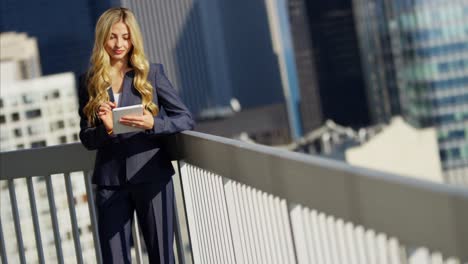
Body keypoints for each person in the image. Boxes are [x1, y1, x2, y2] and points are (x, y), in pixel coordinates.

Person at [78, 7, 194, 264]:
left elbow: (185, 118)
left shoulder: (151, 74)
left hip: (152, 175)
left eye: (126, 37)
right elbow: (86, 138)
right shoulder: (89, 81)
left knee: (162, 257)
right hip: (110, 183)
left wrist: (153, 122)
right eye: (112, 37)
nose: (119, 44)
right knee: (114, 259)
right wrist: (106, 129)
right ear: (102, 38)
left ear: (133, 39)